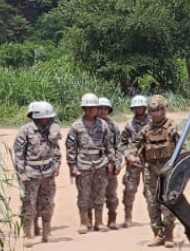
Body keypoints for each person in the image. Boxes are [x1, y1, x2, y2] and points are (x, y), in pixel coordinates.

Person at [134, 94, 180, 247]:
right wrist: (130, 157)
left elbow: (182, 148)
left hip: (168, 168)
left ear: (164, 110)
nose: (156, 114)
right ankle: (157, 234)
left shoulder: (173, 128)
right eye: (153, 111)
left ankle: (169, 236)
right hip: (150, 170)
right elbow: (133, 146)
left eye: (159, 110)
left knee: (168, 202)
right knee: (152, 202)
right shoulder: (145, 130)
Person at [12, 101, 61, 245]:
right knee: (29, 204)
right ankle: (28, 235)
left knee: (47, 203)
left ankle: (47, 233)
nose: (47, 120)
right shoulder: (25, 131)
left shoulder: (51, 130)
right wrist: (22, 173)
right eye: (45, 117)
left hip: (48, 172)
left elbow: (56, 150)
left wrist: (57, 165)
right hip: (31, 173)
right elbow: (19, 154)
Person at [65, 93, 114, 234]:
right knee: (83, 195)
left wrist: (111, 162)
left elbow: (109, 145)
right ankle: (84, 223)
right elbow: (70, 147)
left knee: (100, 194)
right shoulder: (76, 126)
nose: (91, 110)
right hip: (83, 164)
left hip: (100, 163)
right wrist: (72, 166)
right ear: (83, 108)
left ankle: (99, 222)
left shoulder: (103, 125)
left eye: (93, 108)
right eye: (88, 108)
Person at [120, 95, 151, 228]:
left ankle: (154, 218)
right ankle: (128, 217)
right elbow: (122, 143)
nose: (138, 109)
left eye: (140, 107)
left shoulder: (152, 123)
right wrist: (127, 155)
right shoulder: (129, 125)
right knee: (129, 189)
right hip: (133, 162)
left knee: (150, 191)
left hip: (150, 162)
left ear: (145, 107)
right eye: (136, 107)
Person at [97, 97, 122, 230]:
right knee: (91, 194)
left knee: (111, 192)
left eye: (105, 108)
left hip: (110, 165)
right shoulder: (89, 124)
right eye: (100, 108)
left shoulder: (113, 126)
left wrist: (117, 163)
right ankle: (92, 220)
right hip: (94, 165)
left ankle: (112, 218)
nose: (102, 111)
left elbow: (118, 146)